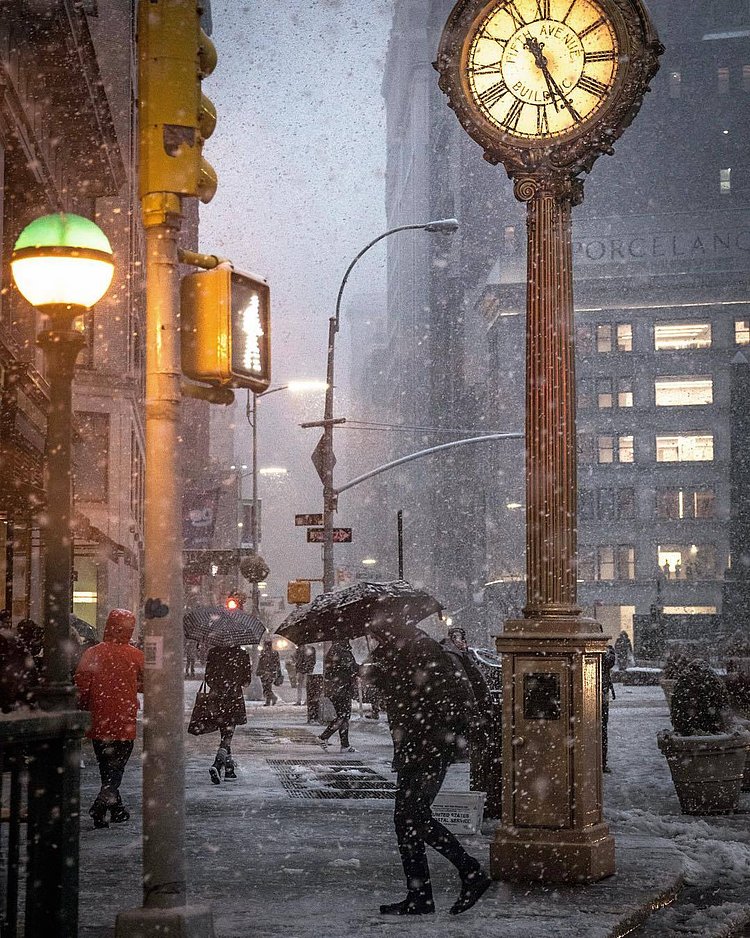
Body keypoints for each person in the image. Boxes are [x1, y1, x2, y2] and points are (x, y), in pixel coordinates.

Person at [363, 620, 491, 917]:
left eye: (375, 631)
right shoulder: (408, 648)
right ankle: (420, 894)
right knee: (406, 819)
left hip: (427, 746)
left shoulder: (419, 650)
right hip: (419, 746)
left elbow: (424, 697)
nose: (372, 636)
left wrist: (384, 675)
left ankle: (469, 872)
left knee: (414, 817)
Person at [74, 609, 144, 829]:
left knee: (107, 766)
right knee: (117, 767)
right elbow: (150, 682)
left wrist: (87, 706)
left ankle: (116, 808)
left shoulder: (93, 653)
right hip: (124, 719)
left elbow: (82, 686)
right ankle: (103, 802)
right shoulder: (135, 655)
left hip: (99, 718)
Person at [204, 643, 253, 784]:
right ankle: (217, 764)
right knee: (228, 734)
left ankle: (229, 769)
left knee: (224, 733)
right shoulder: (242, 654)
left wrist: (219, 685)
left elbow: (208, 678)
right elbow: (246, 681)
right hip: (234, 698)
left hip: (217, 699)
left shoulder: (213, 652)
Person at [318, 641, 359, 753]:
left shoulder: (336, 649)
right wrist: (363, 668)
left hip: (336, 688)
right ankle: (323, 737)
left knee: (344, 716)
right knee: (343, 716)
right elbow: (351, 667)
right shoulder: (342, 651)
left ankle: (345, 745)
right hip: (341, 688)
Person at [602, 644, 616, 774]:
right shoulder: (603, 654)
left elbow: (609, 661)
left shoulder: (604, 653)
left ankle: (601, 761)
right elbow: (609, 661)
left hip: (602, 692)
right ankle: (601, 761)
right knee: (602, 729)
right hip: (602, 692)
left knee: (602, 729)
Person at [257, 635, 282, 706]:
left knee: (267, 687)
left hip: (268, 672)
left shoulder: (270, 653)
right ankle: (269, 699)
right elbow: (277, 664)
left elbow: (277, 664)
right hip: (266, 672)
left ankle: (272, 698)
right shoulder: (266, 653)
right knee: (266, 687)